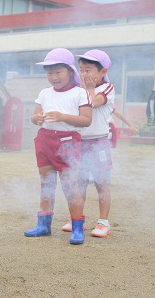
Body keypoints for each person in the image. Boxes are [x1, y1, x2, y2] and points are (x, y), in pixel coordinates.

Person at [23, 48, 92, 245]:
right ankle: (43, 225)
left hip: (68, 142)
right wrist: (36, 118)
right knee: (46, 185)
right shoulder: (44, 93)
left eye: (58, 72)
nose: (53, 77)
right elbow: (34, 117)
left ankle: (77, 227)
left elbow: (86, 120)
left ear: (71, 71)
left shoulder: (80, 93)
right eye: (49, 72)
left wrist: (62, 117)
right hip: (45, 140)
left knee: (71, 187)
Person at [61, 50, 114, 238]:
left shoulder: (107, 88)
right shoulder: (78, 90)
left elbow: (94, 103)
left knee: (101, 183)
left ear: (102, 71)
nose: (84, 74)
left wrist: (89, 89)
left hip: (98, 142)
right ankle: (77, 219)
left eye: (89, 70)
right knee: (79, 183)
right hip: (79, 142)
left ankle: (103, 222)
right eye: (82, 70)